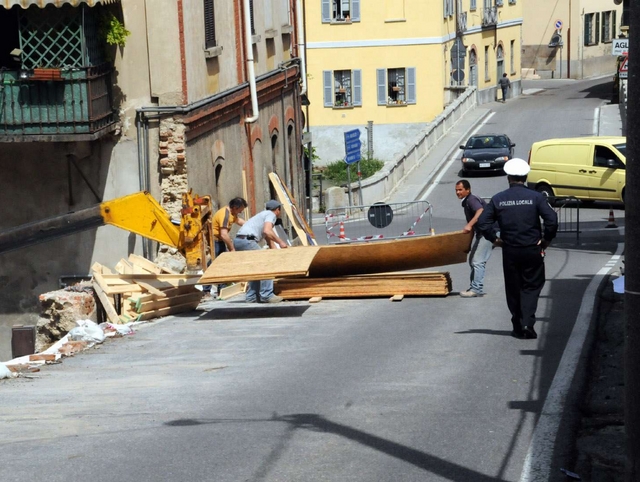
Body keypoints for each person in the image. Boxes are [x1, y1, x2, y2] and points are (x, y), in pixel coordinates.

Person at [477, 158, 558, 340]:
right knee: (531, 286)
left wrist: (494, 239)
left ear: (508, 177)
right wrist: (546, 240)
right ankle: (528, 323)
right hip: (532, 248)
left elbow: (483, 222)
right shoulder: (536, 197)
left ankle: (517, 323)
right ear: (526, 176)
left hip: (510, 249)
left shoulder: (498, 199)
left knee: (514, 287)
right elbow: (552, 220)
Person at [234, 199, 289, 303]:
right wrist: (281, 242)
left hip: (239, 240)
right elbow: (267, 231)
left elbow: (268, 238)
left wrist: (276, 252)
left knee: (255, 268)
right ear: (277, 210)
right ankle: (267, 295)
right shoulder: (270, 215)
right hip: (247, 241)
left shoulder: (263, 215)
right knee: (265, 265)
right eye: (279, 210)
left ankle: (252, 296)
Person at [202, 197, 248, 298]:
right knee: (214, 265)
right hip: (216, 241)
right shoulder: (225, 214)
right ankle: (206, 291)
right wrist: (232, 248)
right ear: (235, 207)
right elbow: (224, 234)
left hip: (220, 241)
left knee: (221, 264)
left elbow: (239, 221)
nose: (240, 212)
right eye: (240, 210)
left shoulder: (232, 213)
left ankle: (220, 290)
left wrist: (251, 225)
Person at [455, 180, 494, 298]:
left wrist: (469, 224)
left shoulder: (472, 199)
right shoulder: (466, 202)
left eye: (460, 190)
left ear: (468, 190)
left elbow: (480, 211)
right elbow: (471, 229)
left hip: (488, 232)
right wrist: (468, 245)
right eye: (456, 190)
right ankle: (473, 286)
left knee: (478, 261)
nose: (457, 192)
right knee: (472, 259)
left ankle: (476, 289)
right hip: (481, 233)